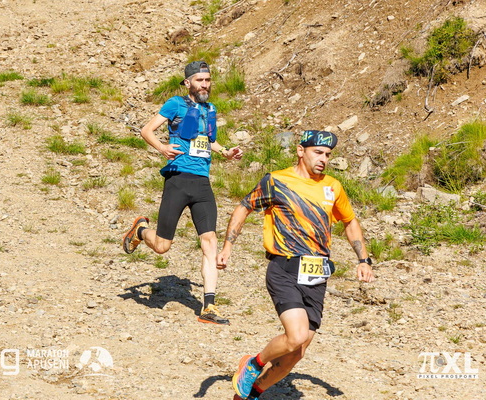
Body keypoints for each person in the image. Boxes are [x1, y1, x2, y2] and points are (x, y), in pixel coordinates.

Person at [216, 130, 375, 399]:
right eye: (318, 152)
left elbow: (349, 221)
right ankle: (253, 363)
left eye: (328, 155)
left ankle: (250, 394)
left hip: (317, 275)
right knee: (296, 336)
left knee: (296, 353)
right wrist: (228, 246)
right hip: (285, 269)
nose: (323, 159)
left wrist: (363, 260)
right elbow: (244, 206)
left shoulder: (333, 186)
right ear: (301, 151)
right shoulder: (276, 181)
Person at [122, 61, 243, 325]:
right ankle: (141, 231)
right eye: (200, 80)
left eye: (207, 80)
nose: (205, 85)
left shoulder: (210, 109)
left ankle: (208, 307)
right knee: (162, 247)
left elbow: (209, 140)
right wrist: (162, 148)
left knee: (209, 241)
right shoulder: (175, 104)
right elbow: (146, 130)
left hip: (202, 183)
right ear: (188, 83)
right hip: (177, 179)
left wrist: (226, 152)